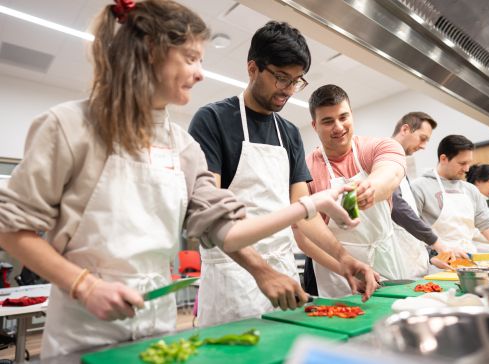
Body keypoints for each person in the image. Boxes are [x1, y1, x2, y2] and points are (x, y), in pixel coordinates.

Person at [0, 1, 357, 357]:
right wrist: (83, 285)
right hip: (83, 326)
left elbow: (227, 230)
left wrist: (308, 211)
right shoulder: (67, 126)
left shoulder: (181, 146)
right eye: (190, 58)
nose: (200, 73)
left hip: (158, 323)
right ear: (149, 54)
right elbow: (10, 227)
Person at [189, 23, 378, 326]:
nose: (288, 90)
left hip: (284, 274)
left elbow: (306, 213)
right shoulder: (213, 120)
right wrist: (261, 271)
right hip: (233, 274)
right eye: (281, 78)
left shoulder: (288, 133)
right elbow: (210, 215)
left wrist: (343, 258)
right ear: (253, 68)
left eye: (296, 81)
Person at [300, 84, 408, 298]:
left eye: (343, 117)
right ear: (314, 125)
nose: (338, 127)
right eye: (328, 121)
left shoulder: (378, 146)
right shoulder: (305, 169)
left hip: (385, 256)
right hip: (338, 271)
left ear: (352, 115)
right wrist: (344, 267)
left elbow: (391, 171)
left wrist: (371, 188)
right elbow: (304, 237)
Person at [411, 135, 489, 260]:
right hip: (438, 262)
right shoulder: (419, 187)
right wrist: (433, 255)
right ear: (443, 158)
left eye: (469, 163)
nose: (466, 169)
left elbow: (486, 224)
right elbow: (411, 231)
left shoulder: (470, 190)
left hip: (468, 260)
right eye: (462, 163)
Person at [391, 112, 467, 276]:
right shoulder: (386, 157)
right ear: (405, 129)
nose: (424, 146)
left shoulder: (400, 164)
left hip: (412, 259)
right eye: (422, 138)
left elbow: (412, 217)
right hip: (395, 260)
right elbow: (397, 207)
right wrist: (437, 243)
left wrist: (433, 255)